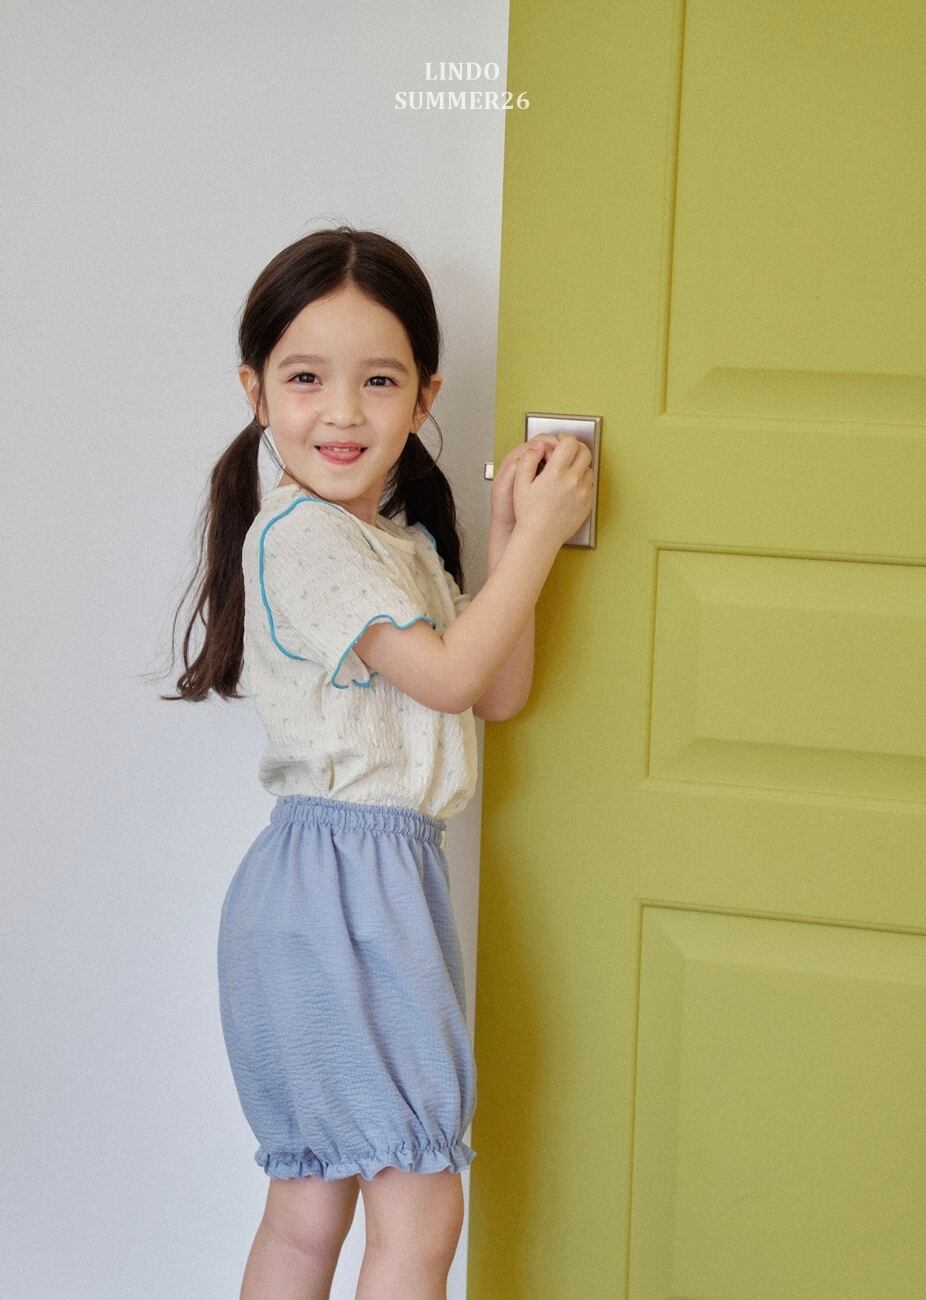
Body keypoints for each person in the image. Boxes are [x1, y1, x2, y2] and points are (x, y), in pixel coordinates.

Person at [162, 224, 593, 1300]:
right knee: (410, 1203)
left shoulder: (397, 546)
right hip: (336, 889)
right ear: (257, 391)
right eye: (307, 378)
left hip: (368, 885)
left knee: (316, 1205)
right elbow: (448, 677)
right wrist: (544, 536)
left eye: (380, 380)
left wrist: (510, 537)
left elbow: (493, 689)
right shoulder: (301, 536)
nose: (344, 412)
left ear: (423, 396)